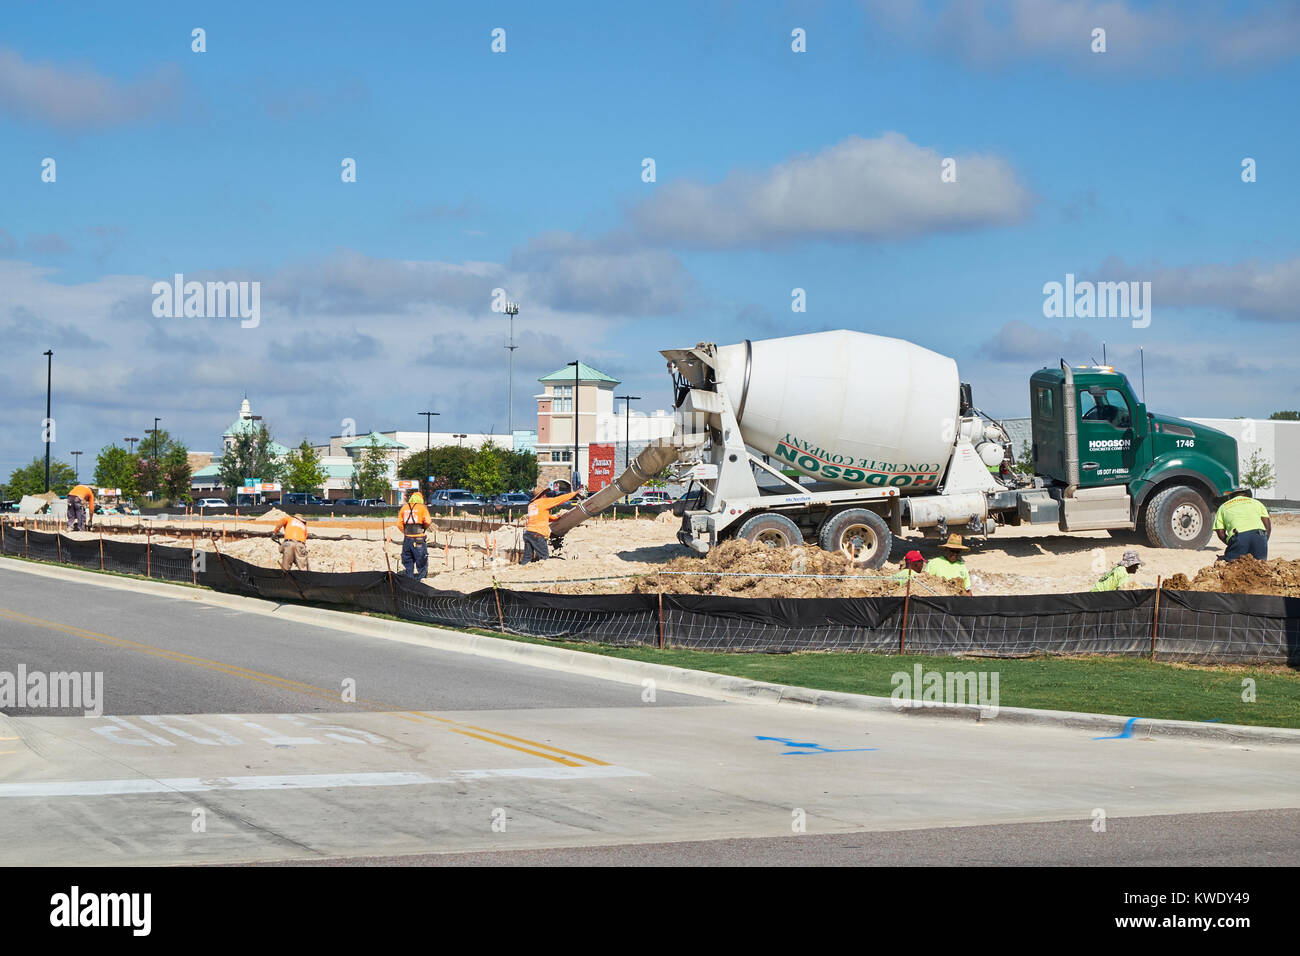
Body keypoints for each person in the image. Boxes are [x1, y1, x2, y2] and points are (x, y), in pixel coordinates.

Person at [522, 480, 580, 564]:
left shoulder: (532, 505)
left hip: (528, 533)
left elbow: (542, 517)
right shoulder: (544, 502)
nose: (546, 495)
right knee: (545, 557)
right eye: (545, 494)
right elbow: (559, 499)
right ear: (542, 495)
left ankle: (522, 569)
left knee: (527, 557)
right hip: (537, 533)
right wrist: (574, 493)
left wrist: (555, 518)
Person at [1213, 487, 1271, 562]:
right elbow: (1268, 528)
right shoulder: (1257, 503)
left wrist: (1231, 545)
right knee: (1260, 566)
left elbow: (1220, 533)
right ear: (1246, 495)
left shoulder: (1223, 507)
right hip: (1259, 535)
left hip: (1238, 536)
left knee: (1233, 566)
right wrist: (1262, 541)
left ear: (1231, 497)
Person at [396, 490, 432, 579]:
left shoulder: (404, 508)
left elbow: (399, 524)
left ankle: (409, 579)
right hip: (418, 539)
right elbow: (428, 521)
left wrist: (405, 532)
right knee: (421, 559)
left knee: (407, 559)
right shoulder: (422, 508)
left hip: (407, 539)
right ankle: (421, 578)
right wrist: (424, 528)